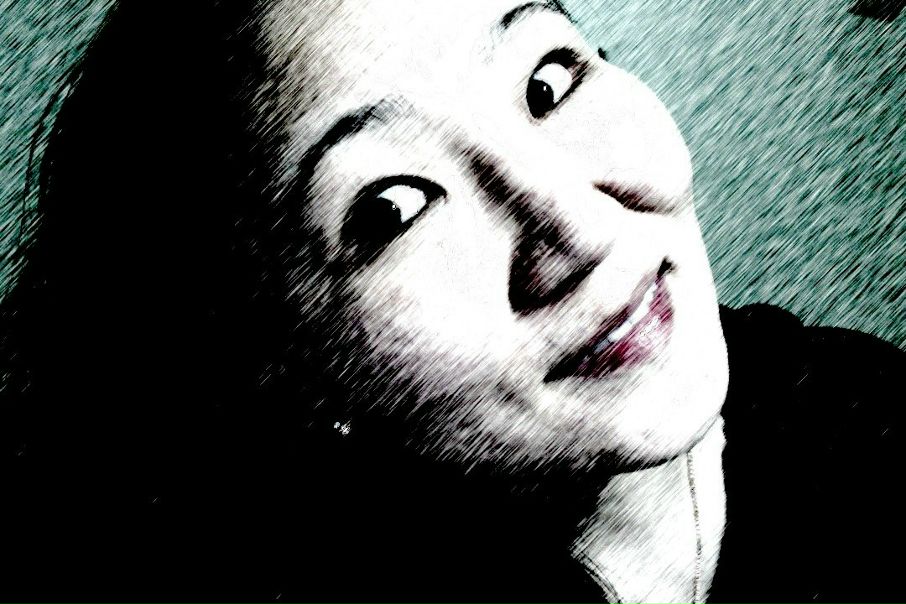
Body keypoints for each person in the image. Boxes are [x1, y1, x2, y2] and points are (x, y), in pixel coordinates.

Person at [0, 0, 902, 601]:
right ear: (284, 368)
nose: (577, 228)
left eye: (548, 81)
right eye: (393, 207)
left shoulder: (860, 416)